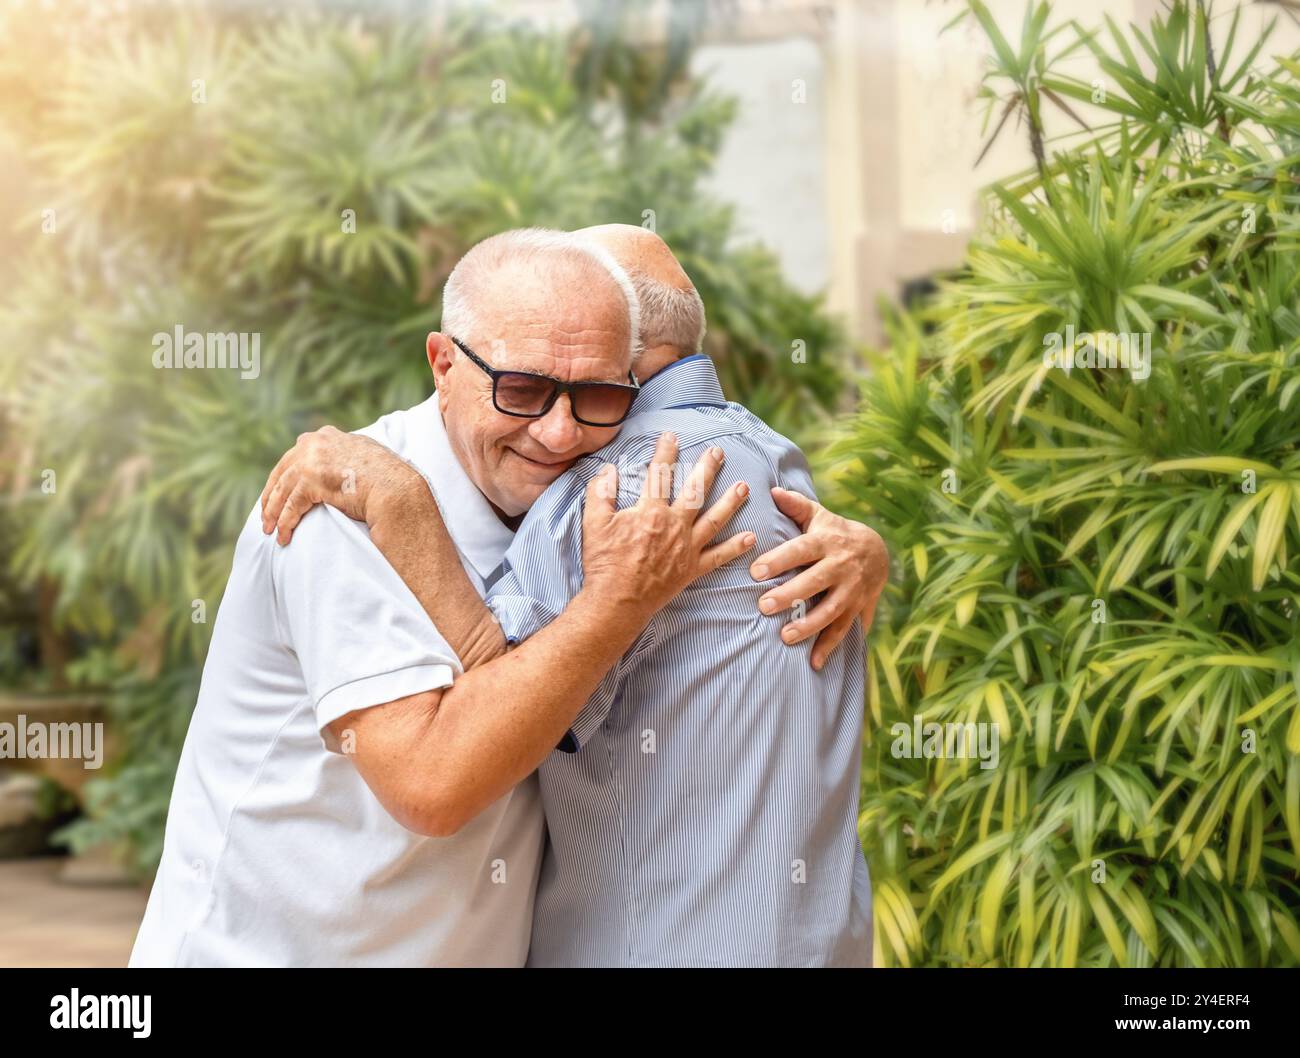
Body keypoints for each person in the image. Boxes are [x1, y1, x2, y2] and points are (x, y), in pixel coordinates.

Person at [262, 225, 887, 966]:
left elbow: (488, 683)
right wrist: (873, 551)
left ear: (625, 351)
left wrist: (400, 501)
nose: (558, 426)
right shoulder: (775, 460)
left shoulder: (618, 485)